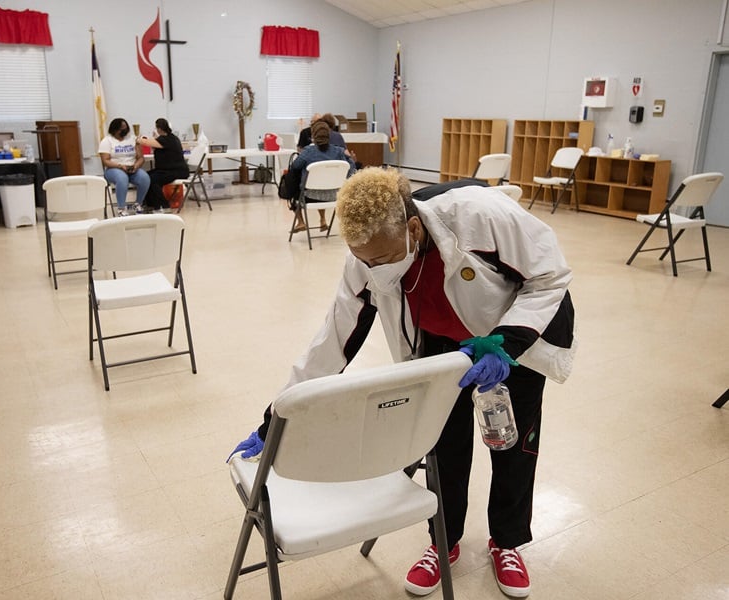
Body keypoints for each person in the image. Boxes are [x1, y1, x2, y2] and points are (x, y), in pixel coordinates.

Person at [229, 168, 576, 598]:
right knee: (441, 444)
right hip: (441, 344)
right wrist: (275, 418)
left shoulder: (479, 218)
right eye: (362, 260)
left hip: (514, 333)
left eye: (379, 259)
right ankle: (443, 543)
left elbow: (551, 276)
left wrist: (509, 341)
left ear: (412, 228)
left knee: (512, 443)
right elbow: (332, 340)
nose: (372, 270)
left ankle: (506, 542)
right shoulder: (366, 258)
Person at [288, 120, 355, 232]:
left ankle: (301, 222)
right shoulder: (339, 151)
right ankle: (323, 220)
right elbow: (351, 168)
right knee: (324, 183)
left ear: (313, 135)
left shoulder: (308, 151)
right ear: (329, 135)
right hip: (335, 195)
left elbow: (295, 166)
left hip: (310, 196)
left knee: (292, 184)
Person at [98, 118, 151, 216]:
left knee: (145, 177)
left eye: (125, 128)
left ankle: (138, 203)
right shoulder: (107, 141)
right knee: (122, 178)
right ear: (115, 129)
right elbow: (105, 160)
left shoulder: (132, 139)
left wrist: (136, 165)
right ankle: (121, 208)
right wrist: (120, 166)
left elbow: (141, 158)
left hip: (131, 167)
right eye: (122, 128)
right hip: (113, 169)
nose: (124, 130)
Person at [137, 118, 189, 212]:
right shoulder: (167, 138)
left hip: (177, 170)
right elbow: (155, 144)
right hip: (166, 169)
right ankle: (150, 204)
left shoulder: (168, 139)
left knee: (153, 180)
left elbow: (146, 142)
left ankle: (163, 206)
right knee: (146, 176)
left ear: (159, 129)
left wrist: (137, 139)